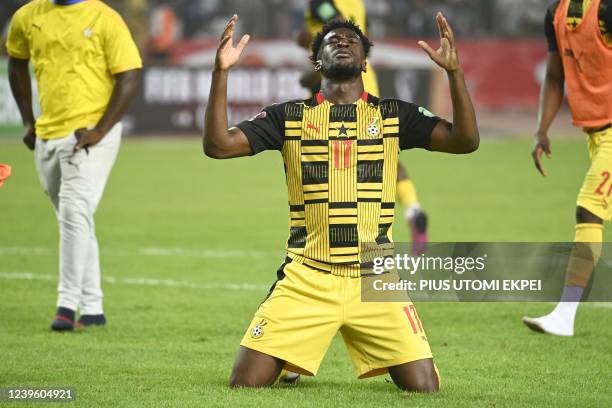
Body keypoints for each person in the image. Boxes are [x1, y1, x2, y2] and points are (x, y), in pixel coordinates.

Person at [203, 14, 478, 390]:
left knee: (424, 388)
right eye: (333, 40)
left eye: (352, 40)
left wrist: (455, 73)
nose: (343, 42)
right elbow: (218, 145)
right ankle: (290, 351)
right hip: (307, 276)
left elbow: (465, 141)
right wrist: (221, 73)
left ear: (365, 61)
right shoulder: (289, 117)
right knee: (245, 385)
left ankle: (293, 356)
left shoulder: (393, 115)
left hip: (374, 275)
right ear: (318, 62)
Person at [7, 0, 142, 331]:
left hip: (91, 133)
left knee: (72, 211)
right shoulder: (27, 16)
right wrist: (28, 121)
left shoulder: (105, 18)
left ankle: (66, 306)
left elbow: (129, 76)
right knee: (75, 217)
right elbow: (15, 63)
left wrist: (100, 129)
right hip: (47, 133)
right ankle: (93, 307)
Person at [298, 0, 430, 255]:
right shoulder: (356, 2)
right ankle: (413, 208)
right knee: (381, 154)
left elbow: (335, 32)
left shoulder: (321, 3)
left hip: (343, 87)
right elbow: (363, 35)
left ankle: (355, 232)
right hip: (365, 82)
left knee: (338, 156)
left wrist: (310, 53)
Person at [523, 0, 612, 337]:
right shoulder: (556, 13)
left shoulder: (605, 10)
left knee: (588, 210)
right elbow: (555, 74)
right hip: (597, 136)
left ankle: (565, 315)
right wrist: (541, 129)